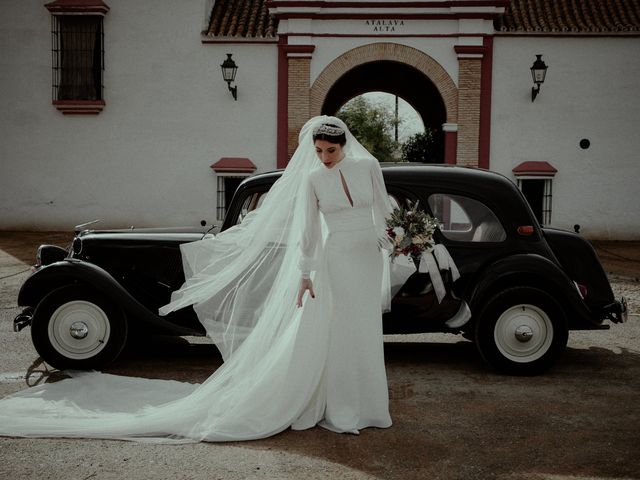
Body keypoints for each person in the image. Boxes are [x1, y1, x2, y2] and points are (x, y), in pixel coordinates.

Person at [0, 115, 393, 442]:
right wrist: (305, 272)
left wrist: (393, 239)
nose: (324, 158)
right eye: (319, 151)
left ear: (345, 145)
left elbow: (382, 209)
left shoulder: (368, 167)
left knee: (361, 329)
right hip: (332, 259)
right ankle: (339, 408)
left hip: (366, 258)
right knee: (336, 331)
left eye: (331, 151)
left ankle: (368, 406)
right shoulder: (312, 179)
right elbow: (308, 229)